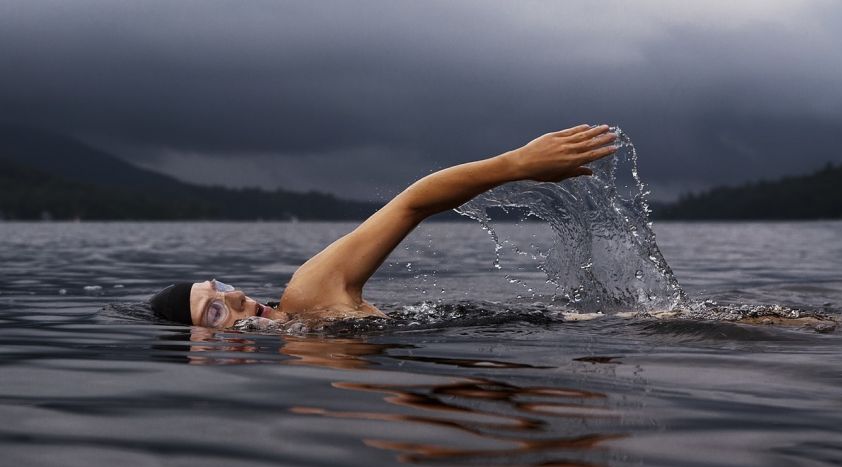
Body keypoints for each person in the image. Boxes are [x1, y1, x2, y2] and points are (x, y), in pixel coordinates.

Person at [149, 124, 618, 328]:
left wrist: (518, 163)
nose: (234, 297)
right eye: (214, 311)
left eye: (221, 287)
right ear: (203, 349)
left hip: (581, 329)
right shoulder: (303, 353)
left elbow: (411, 203)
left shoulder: (308, 297)